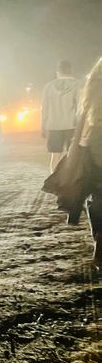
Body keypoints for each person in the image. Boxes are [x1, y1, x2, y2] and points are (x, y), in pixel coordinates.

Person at [79, 57, 102, 268]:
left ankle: (100, 244)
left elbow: (86, 115)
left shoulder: (95, 80)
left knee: (97, 195)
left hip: (97, 137)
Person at [42, 59, 80, 172]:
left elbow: (45, 108)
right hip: (72, 125)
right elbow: (80, 107)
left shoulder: (48, 86)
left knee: (55, 156)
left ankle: (53, 181)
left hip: (53, 125)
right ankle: (69, 181)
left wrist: (43, 126)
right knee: (71, 155)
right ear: (70, 70)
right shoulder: (77, 84)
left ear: (58, 71)